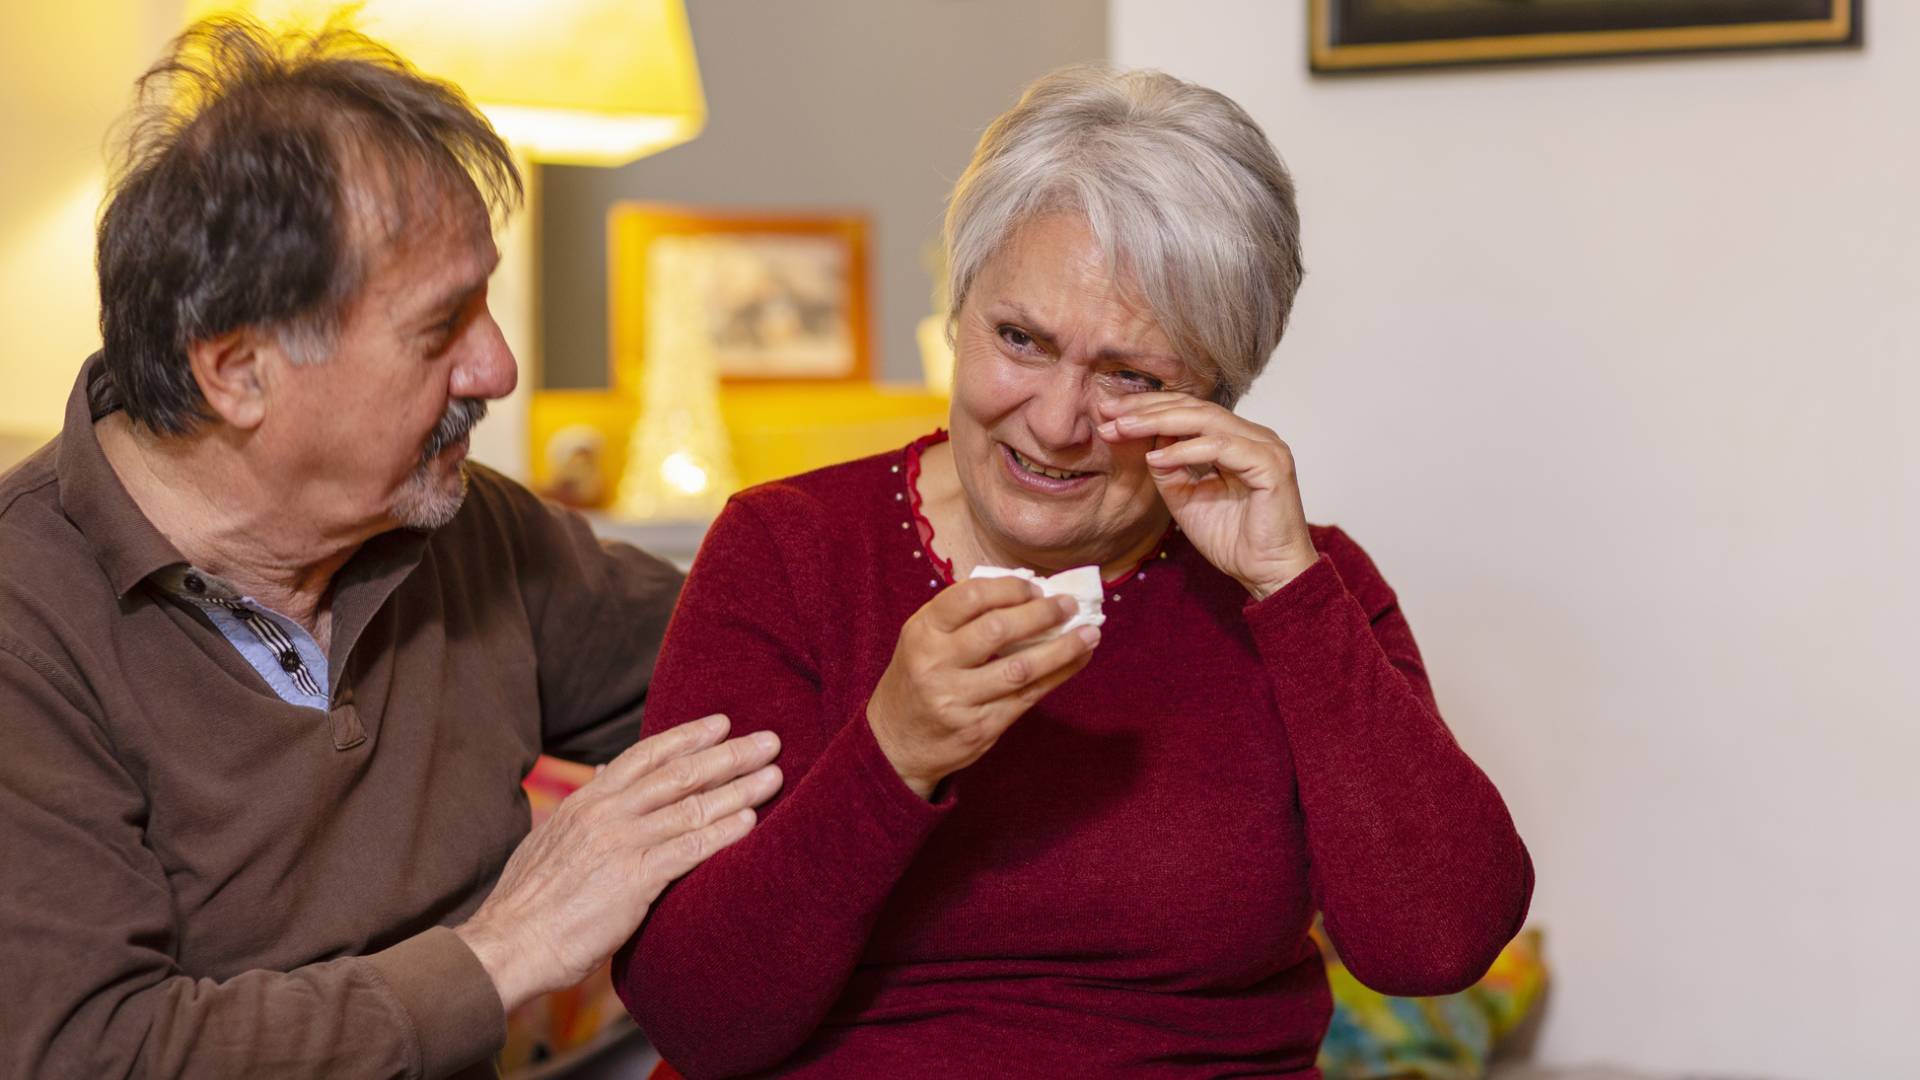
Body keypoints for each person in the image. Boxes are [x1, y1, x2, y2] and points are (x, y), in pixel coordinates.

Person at [615, 65, 1533, 1077]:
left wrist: (1292, 591)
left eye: (1131, 377)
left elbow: (1437, 947)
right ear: (958, 310)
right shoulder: (786, 551)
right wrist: (893, 754)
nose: (1055, 423)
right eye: (1020, 339)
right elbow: (692, 1018)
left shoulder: (1308, 587)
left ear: (1218, 396)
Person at [0, 19, 782, 1079]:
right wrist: (504, 950)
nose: (499, 368)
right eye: (440, 326)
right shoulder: (23, 628)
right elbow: (96, 1056)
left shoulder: (463, 527)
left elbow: (769, 672)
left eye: (487, 301)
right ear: (237, 370)